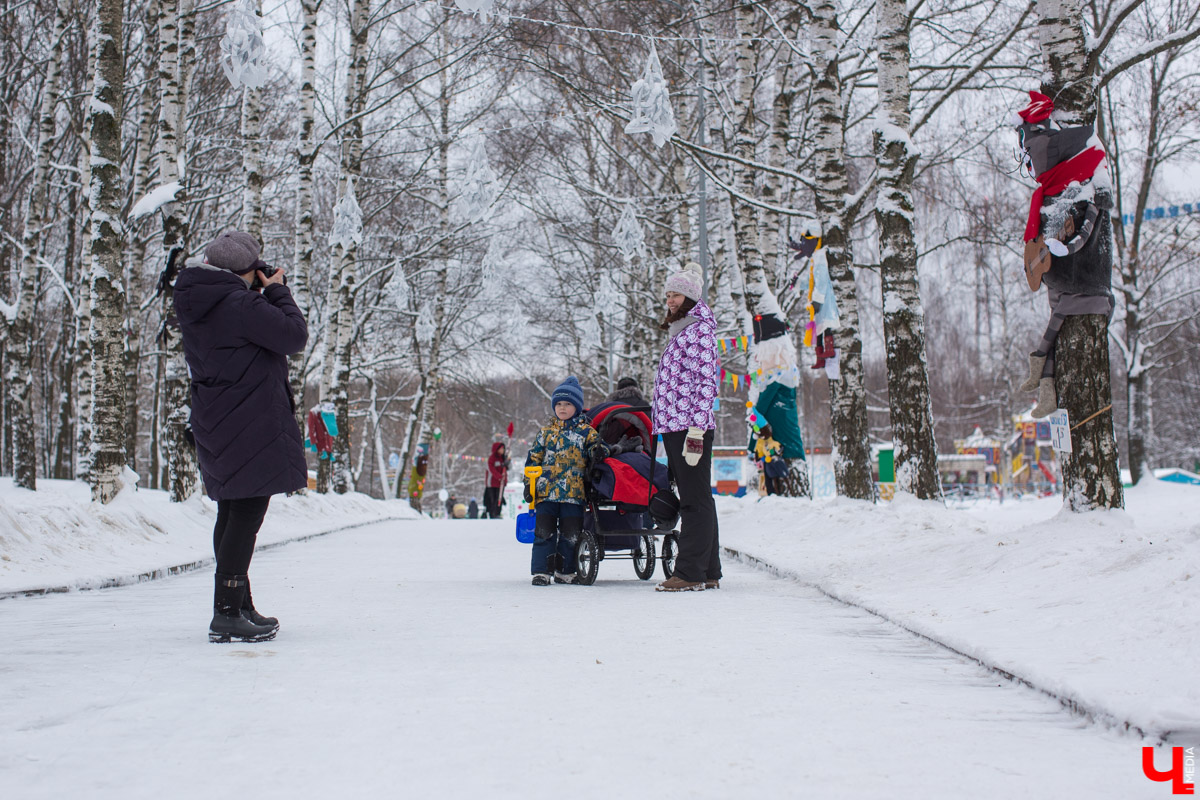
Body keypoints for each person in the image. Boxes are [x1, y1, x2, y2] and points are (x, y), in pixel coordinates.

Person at [173, 231, 308, 643]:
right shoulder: (240, 303)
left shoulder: (200, 299)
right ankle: (228, 612)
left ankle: (236, 604)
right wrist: (278, 293)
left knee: (232, 511)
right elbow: (293, 336)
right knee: (246, 512)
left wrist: (257, 291)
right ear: (245, 271)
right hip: (249, 418)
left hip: (218, 417)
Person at [652, 262, 721, 591]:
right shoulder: (685, 330)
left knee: (694, 499)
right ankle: (709, 570)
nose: (670, 300)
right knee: (699, 495)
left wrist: (696, 429)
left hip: (689, 428)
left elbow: (706, 382)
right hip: (676, 426)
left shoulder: (699, 332)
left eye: (676, 294)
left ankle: (690, 572)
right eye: (667, 295)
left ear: (691, 297)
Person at [524, 376, 610, 586]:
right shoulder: (545, 433)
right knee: (544, 532)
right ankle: (542, 571)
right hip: (546, 493)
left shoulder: (586, 432)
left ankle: (565, 570)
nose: (562, 408)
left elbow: (599, 447)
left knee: (571, 534)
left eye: (568, 404)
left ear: (577, 407)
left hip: (573, 494)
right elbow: (533, 460)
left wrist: (598, 451)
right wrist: (529, 484)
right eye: (559, 404)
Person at [754, 424, 785, 496]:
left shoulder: (771, 441)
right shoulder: (761, 441)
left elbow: (778, 448)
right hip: (767, 461)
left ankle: (777, 492)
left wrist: (774, 453)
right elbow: (759, 450)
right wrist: (760, 457)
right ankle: (772, 493)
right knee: (769, 478)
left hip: (773, 460)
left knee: (775, 477)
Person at [484, 439, 510, 519]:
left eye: (503, 449)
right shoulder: (492, 458)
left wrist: (507, 463)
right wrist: (499, 477)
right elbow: (491, 469)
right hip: (492, 483)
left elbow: (507, 468)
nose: (502, 450)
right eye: (501, 449)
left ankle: (497, 513)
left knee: (499, 498)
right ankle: (492, 513)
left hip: (501, 483)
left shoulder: (503, 458)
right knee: (493, 498)